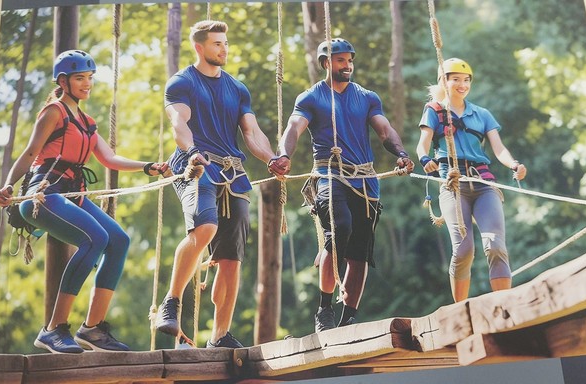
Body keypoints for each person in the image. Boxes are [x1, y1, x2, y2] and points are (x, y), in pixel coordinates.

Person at [0, 50, 169, 353]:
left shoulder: (87, 121)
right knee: (94, 239)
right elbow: (30, 153)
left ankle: (93, 329)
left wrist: (147, 167)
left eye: (89, 78)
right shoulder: (54, 112)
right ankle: (53, 329)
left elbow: (109, 158)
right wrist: (8, 186)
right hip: (43, 194)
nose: (87, 84)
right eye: (80, 78)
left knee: (118, 240)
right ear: (63, 81)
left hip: (74, 194)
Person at [155, 20, 287, 348]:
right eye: (217, 43)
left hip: (234, 173)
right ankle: (171, 302)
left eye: (225, 43)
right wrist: (194, 151)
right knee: (205, 228)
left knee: (232, 258)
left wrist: (271, 158)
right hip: (195, 166)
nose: (223, 48)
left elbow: (252, 133)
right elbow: (179, 124)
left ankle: (220, 335)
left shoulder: (237, 88)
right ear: (199, 47)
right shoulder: (181, 83)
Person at [276, 38, 414, 333]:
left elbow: (384, 130)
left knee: (360, 252)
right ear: (326, 63)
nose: (347, 65)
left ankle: (349, 316)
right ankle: (325, 309)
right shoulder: (311, 97)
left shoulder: (366, 97)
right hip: (330, 175)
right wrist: (284, 155)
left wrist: (401, 154)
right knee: (339, 229)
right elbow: (294, 127)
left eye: (350, 60)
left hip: (364, 180)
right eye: (341, 60)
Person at [415, 57, 527, 302]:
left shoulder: (482, 114)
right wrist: (426, 161)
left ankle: (504, 307)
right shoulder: (434, 110)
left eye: (466, 80)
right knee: (464, 249)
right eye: (455, 79)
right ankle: (460, 309)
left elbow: (499, 149)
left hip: (484, 183)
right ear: (444, 82)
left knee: (495, 245)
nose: (462, 84)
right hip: (453, 185)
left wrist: (514, 164)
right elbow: (422, 147)